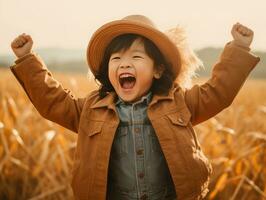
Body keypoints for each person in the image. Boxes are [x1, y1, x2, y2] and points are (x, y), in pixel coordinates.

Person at [10, 15, 260, 200]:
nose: (124, 64)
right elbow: (53, 102)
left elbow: (218, 93)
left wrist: (239, 48)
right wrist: (27, 60)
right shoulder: (90, 110)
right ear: (108, 71)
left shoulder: (179, 103)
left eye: (136, 57)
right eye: (116, 59)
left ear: (157, 70)